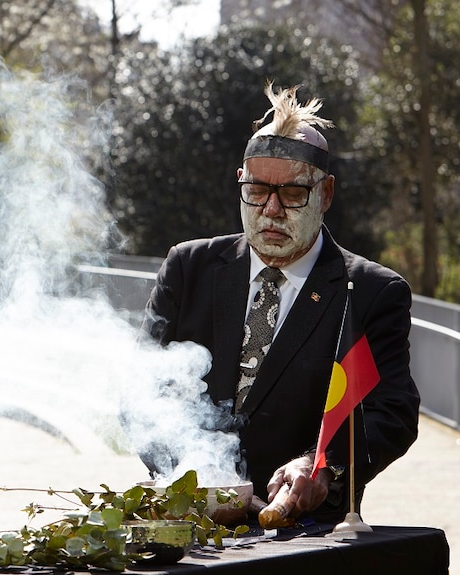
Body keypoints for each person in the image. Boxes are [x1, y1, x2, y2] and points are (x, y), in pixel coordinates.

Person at [139, 81, 420, 524]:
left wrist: (319, 465)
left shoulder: (371, 291)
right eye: (257, 191)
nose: (270, 210)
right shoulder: (187, 267)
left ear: (325, 194)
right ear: (240, 184)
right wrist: (196, 476)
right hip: (185, 523)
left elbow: (392, 413)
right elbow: (141, 390)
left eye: (292, 195)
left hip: (304, 534)